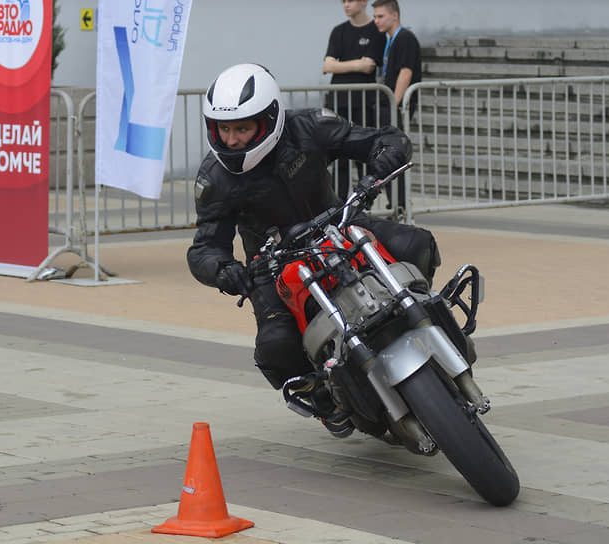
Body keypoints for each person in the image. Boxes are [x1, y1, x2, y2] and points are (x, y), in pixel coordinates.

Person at [187, 63, 440, 437]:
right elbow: (206, 246)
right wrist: (225, 270)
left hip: (340, 225)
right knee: (275, 345)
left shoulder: (308, 127)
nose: (234, 139)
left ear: (270, 118)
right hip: (273, 265)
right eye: (225, 129)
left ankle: (423, 312)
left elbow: (383, 139)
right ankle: (327, 399)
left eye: (242, 128)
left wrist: (378, 167)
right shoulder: (215, 178)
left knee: (416, 243)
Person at [323, 0, 386, 200]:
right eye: (343, 1)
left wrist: (343, 65)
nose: (346, 5)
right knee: (339, 156)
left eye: (350, 0)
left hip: (362, 103)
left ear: (364, 2)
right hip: (338, 102)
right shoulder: (338, 31)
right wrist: (357, 64)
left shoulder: (376, 31)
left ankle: (363, 202)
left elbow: (369, 66)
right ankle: (338, 204)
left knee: (363, 155)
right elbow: (327, 66)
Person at [372, 0, 421, 212]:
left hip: (395, 107)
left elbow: (406, 72)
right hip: (388, 106)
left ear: (395, 15)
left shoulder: (405, 38)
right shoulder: (391, 39)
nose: (376, 21)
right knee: (387, 155)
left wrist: (395, 103)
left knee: (395, 155)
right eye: (374, 17)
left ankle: (399, 205)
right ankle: (395, 204)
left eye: (380, 16)